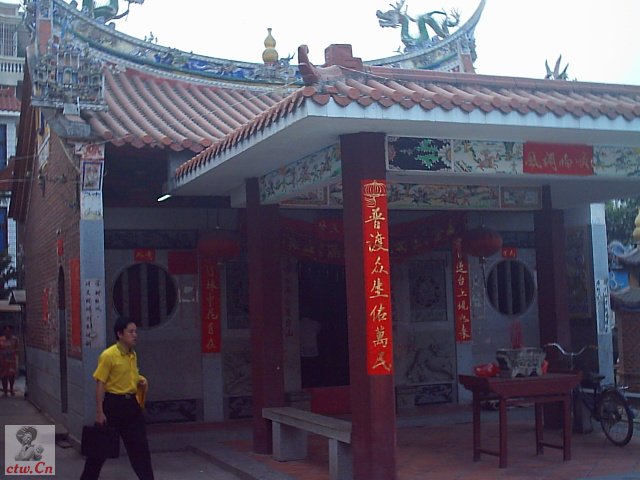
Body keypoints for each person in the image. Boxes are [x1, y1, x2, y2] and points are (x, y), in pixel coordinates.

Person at [80, 317, 154, 480]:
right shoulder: (108, 355)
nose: (135, 335)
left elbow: (129, 376)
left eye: (135, 332)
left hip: (131, 406)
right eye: (131, 332)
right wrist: (99, 412)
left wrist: (140, 380)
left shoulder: (132, 355)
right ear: (120, 334)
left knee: (140, 448)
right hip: (113, 405)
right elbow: (100, 384)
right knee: (99, 451)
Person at [0, 324, 19, 396]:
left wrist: (15, 355)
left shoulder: (15, 339)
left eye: (9, 331)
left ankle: (11, 389)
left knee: (11, 375)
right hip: (3, 361)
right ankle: (5, 391)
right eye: (6, 331)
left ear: (11, 331)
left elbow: (17, 349)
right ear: (4, 331)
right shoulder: (1, 340)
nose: (7, 332)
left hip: (11, 361)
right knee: (3, 376)